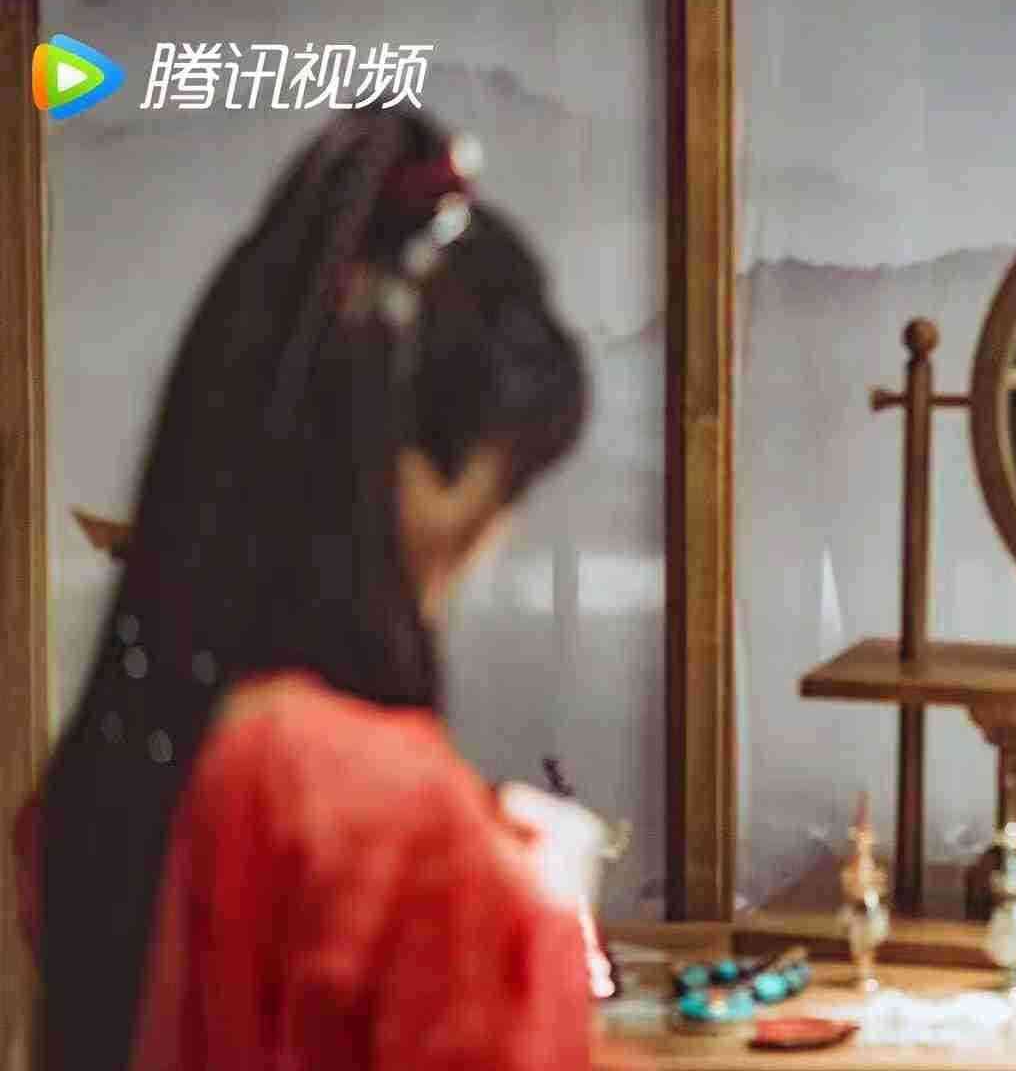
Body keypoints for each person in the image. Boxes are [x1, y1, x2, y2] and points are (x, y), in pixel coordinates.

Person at [11, 108, 627, 1070]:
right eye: (503, 489)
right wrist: (534, 912)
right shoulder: (382, 815)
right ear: (418, 473)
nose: (492, 539)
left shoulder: (110, 772)